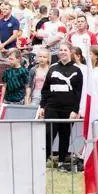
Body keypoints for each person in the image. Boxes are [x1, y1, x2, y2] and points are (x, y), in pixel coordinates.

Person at [39, 42, 83, 171]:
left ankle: (61, 162)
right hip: (52, 107)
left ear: (70, 52)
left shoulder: (77, 70)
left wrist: (75, 110)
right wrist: (42, 106)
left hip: (68, 109)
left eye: (65, 50)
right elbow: (45, 89)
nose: (62, 52)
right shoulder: (52, 68)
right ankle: (43, 160)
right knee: (48, 133)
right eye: (61, 50)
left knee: (65, 135)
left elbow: (78, 92)